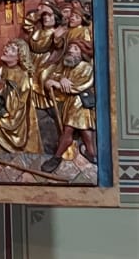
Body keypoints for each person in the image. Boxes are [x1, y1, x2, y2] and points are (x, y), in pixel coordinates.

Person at [41, 42, 97, 172]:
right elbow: (56, 76)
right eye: (70, 48)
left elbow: (78, 85)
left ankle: (56, 157)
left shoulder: (86, 67)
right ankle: (91, 153)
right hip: (71, 103)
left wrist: (58, 84)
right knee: (84, 129)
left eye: (76, 48)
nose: (71, 50)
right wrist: (58, 80)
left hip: (80, 103)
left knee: (68, 131)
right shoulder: (68, 66)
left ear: (82, 53)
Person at [0, 39, 41, 158]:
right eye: (8, 46)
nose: (6, 49)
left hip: (14, 118)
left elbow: (15, 105)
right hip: (1, 108)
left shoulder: (23, 77)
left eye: (13, 49)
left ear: (20, 57)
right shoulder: (4, 68)